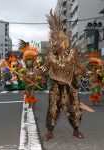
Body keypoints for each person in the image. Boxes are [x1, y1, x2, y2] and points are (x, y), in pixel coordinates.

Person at [41, 10, 86, 141]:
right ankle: (49, 132)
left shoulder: (72, 53)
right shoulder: (50, 56)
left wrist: (84, 70)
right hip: (55, 86)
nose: (52, 46)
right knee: (53, 109)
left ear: (61, 42)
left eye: (54, 43)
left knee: (75, 110)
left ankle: (76, 130)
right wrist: (36, 72)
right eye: (51, 42)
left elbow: (80, 66)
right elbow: (44, 67)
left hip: (70, 86)